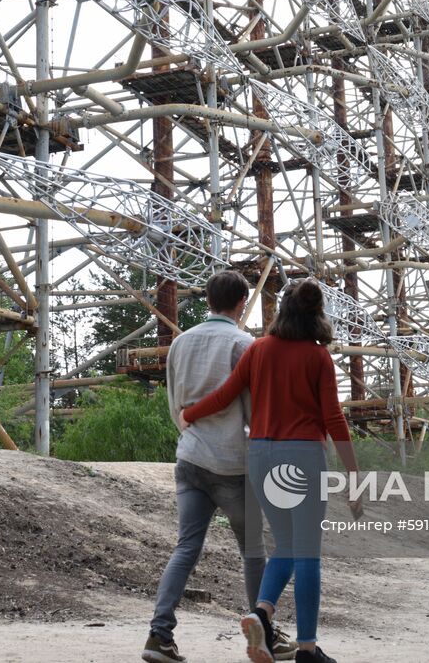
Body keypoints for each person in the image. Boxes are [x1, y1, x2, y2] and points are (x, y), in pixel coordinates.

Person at [179, 279, 362, 663]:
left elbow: (225, 395)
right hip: (303, 456)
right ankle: (307, 648)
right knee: (307, 552)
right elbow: (333, 417)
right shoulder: (318, 357)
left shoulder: (259, 349)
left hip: (261, 455)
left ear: (282, 311)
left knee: (287, 545)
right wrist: (353, 474)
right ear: (317, 315)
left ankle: (261, 613)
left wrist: (190, 413)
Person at [143, 271, 297, 663]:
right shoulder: (244, 345)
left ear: (208, 300)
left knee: (186, 547)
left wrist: (190, 432)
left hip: (190, 456)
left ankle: (159, 635)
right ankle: (265, 633)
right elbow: (255, 410)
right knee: (252, 550)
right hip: (233, 464)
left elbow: (176, 405)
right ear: (242, 303)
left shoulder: (181, 342)